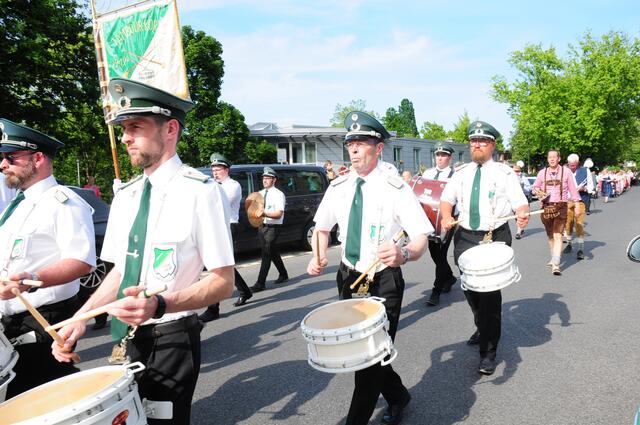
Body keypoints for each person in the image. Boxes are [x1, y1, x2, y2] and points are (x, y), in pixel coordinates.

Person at [52, 78, 235, 425]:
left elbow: (223, 282)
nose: (125, 138)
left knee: (164, 421)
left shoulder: (201, 192)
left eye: (135, 127)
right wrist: (80, 318)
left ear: (170, 129)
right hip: (128, 338)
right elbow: (121, 271)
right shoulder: (127, 195)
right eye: (123, 129)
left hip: (172, 338)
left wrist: (160, 304)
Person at [307, 111, 432, 425]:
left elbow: (420, 237)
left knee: (368, 359)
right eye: (350, 143)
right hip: (349, 278)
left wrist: (404, 254)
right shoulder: (338, 187)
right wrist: (317, 255)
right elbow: (321, 228)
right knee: (364, 351)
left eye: (361, 143)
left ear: (379, 148)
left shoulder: (395, 188)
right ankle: (398, 396)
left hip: (383, 280)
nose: (353, 148)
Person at [0, 118, 96, 397]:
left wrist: (32, 279)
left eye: (11, 157)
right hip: (13, 322)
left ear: (38, 158)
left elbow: (81, 261)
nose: (3, 164)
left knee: (48, 397)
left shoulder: (63, 202)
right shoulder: (17, 206)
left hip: (45, 322)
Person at [440, 120, 529, 376]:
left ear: (492, 145)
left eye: (482, 141)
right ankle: (482, 325)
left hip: (494, 236)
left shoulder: (505, 173)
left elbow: (520, 203)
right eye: (473, 141)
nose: (477, 145)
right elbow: (447, 200)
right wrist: (446, 216)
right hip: (465, 237)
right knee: (470, 290)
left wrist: (522, 214)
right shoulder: (460, 173)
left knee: (489, 295)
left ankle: (488, 351)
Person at [199, 153, 253, 323]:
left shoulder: (233, 186)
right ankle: (245, 291)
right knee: (223, 264)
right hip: (215, 226)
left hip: (228, 225)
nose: (215, 172)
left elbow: (217, 204)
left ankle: (213, 308)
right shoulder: (212, 185)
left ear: (227, 170)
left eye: (218, 169)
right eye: (213, 170)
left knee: (217, 265)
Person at [532, 150, 580, 276]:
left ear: (559, 158)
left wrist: (577, 204)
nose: (552, 159)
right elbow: (535, 187)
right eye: (550, 157)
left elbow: (573, 189)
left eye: (554, 157)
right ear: (548, 159)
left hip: (561, 206)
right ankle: (553, 256)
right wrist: (538, 192)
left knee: (558, 235)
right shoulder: (542, 173)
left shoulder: (566, 172)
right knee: (550, 236)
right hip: (546, 207)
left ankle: (556, 264)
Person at [421, 142, 456, 306]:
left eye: (444, 155)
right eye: (438, 155)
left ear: (450, 157)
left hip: (446, 220)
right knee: (435, 254)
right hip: (428, 219)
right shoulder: (428, 173)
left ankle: (436, 290)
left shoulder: (455, 175)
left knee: (441, 254)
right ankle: (449, 277)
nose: (440, 158)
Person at [249, 167, 289, 292]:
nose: (265, 180)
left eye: (268, 178)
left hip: (273, 227)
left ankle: (260, 283)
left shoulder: (278, 194)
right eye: (264, 178)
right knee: (272, 251)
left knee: (266, 253)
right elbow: (254, 210)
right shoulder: (260, 193)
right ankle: (283, 274)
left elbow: (279, 214)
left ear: (274, 180)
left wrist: (264, 213)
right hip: (261, 226)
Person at [564, 154, 593, 260]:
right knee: (568, 224)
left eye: (574, 165)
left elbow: (591, 186)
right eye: (570, 165)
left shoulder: (585, 171)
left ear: (578, 163)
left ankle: (580, 249)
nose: (572, 167)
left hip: (580, 201)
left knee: (579, 225)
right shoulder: (564, 171)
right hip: (568, 201)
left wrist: (583, 188)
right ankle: (569, 244)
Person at [512, 164, 531, 239]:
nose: (516, 173)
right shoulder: (510, 179)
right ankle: (521, 228)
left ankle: (518, 232)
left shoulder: (523, 178)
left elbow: (529, 188)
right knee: (516, 216)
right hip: (514, 200)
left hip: (522, 199)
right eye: (514, 171)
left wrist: (522, 188)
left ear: (520, 171)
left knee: (521, 215)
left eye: (517, 171)